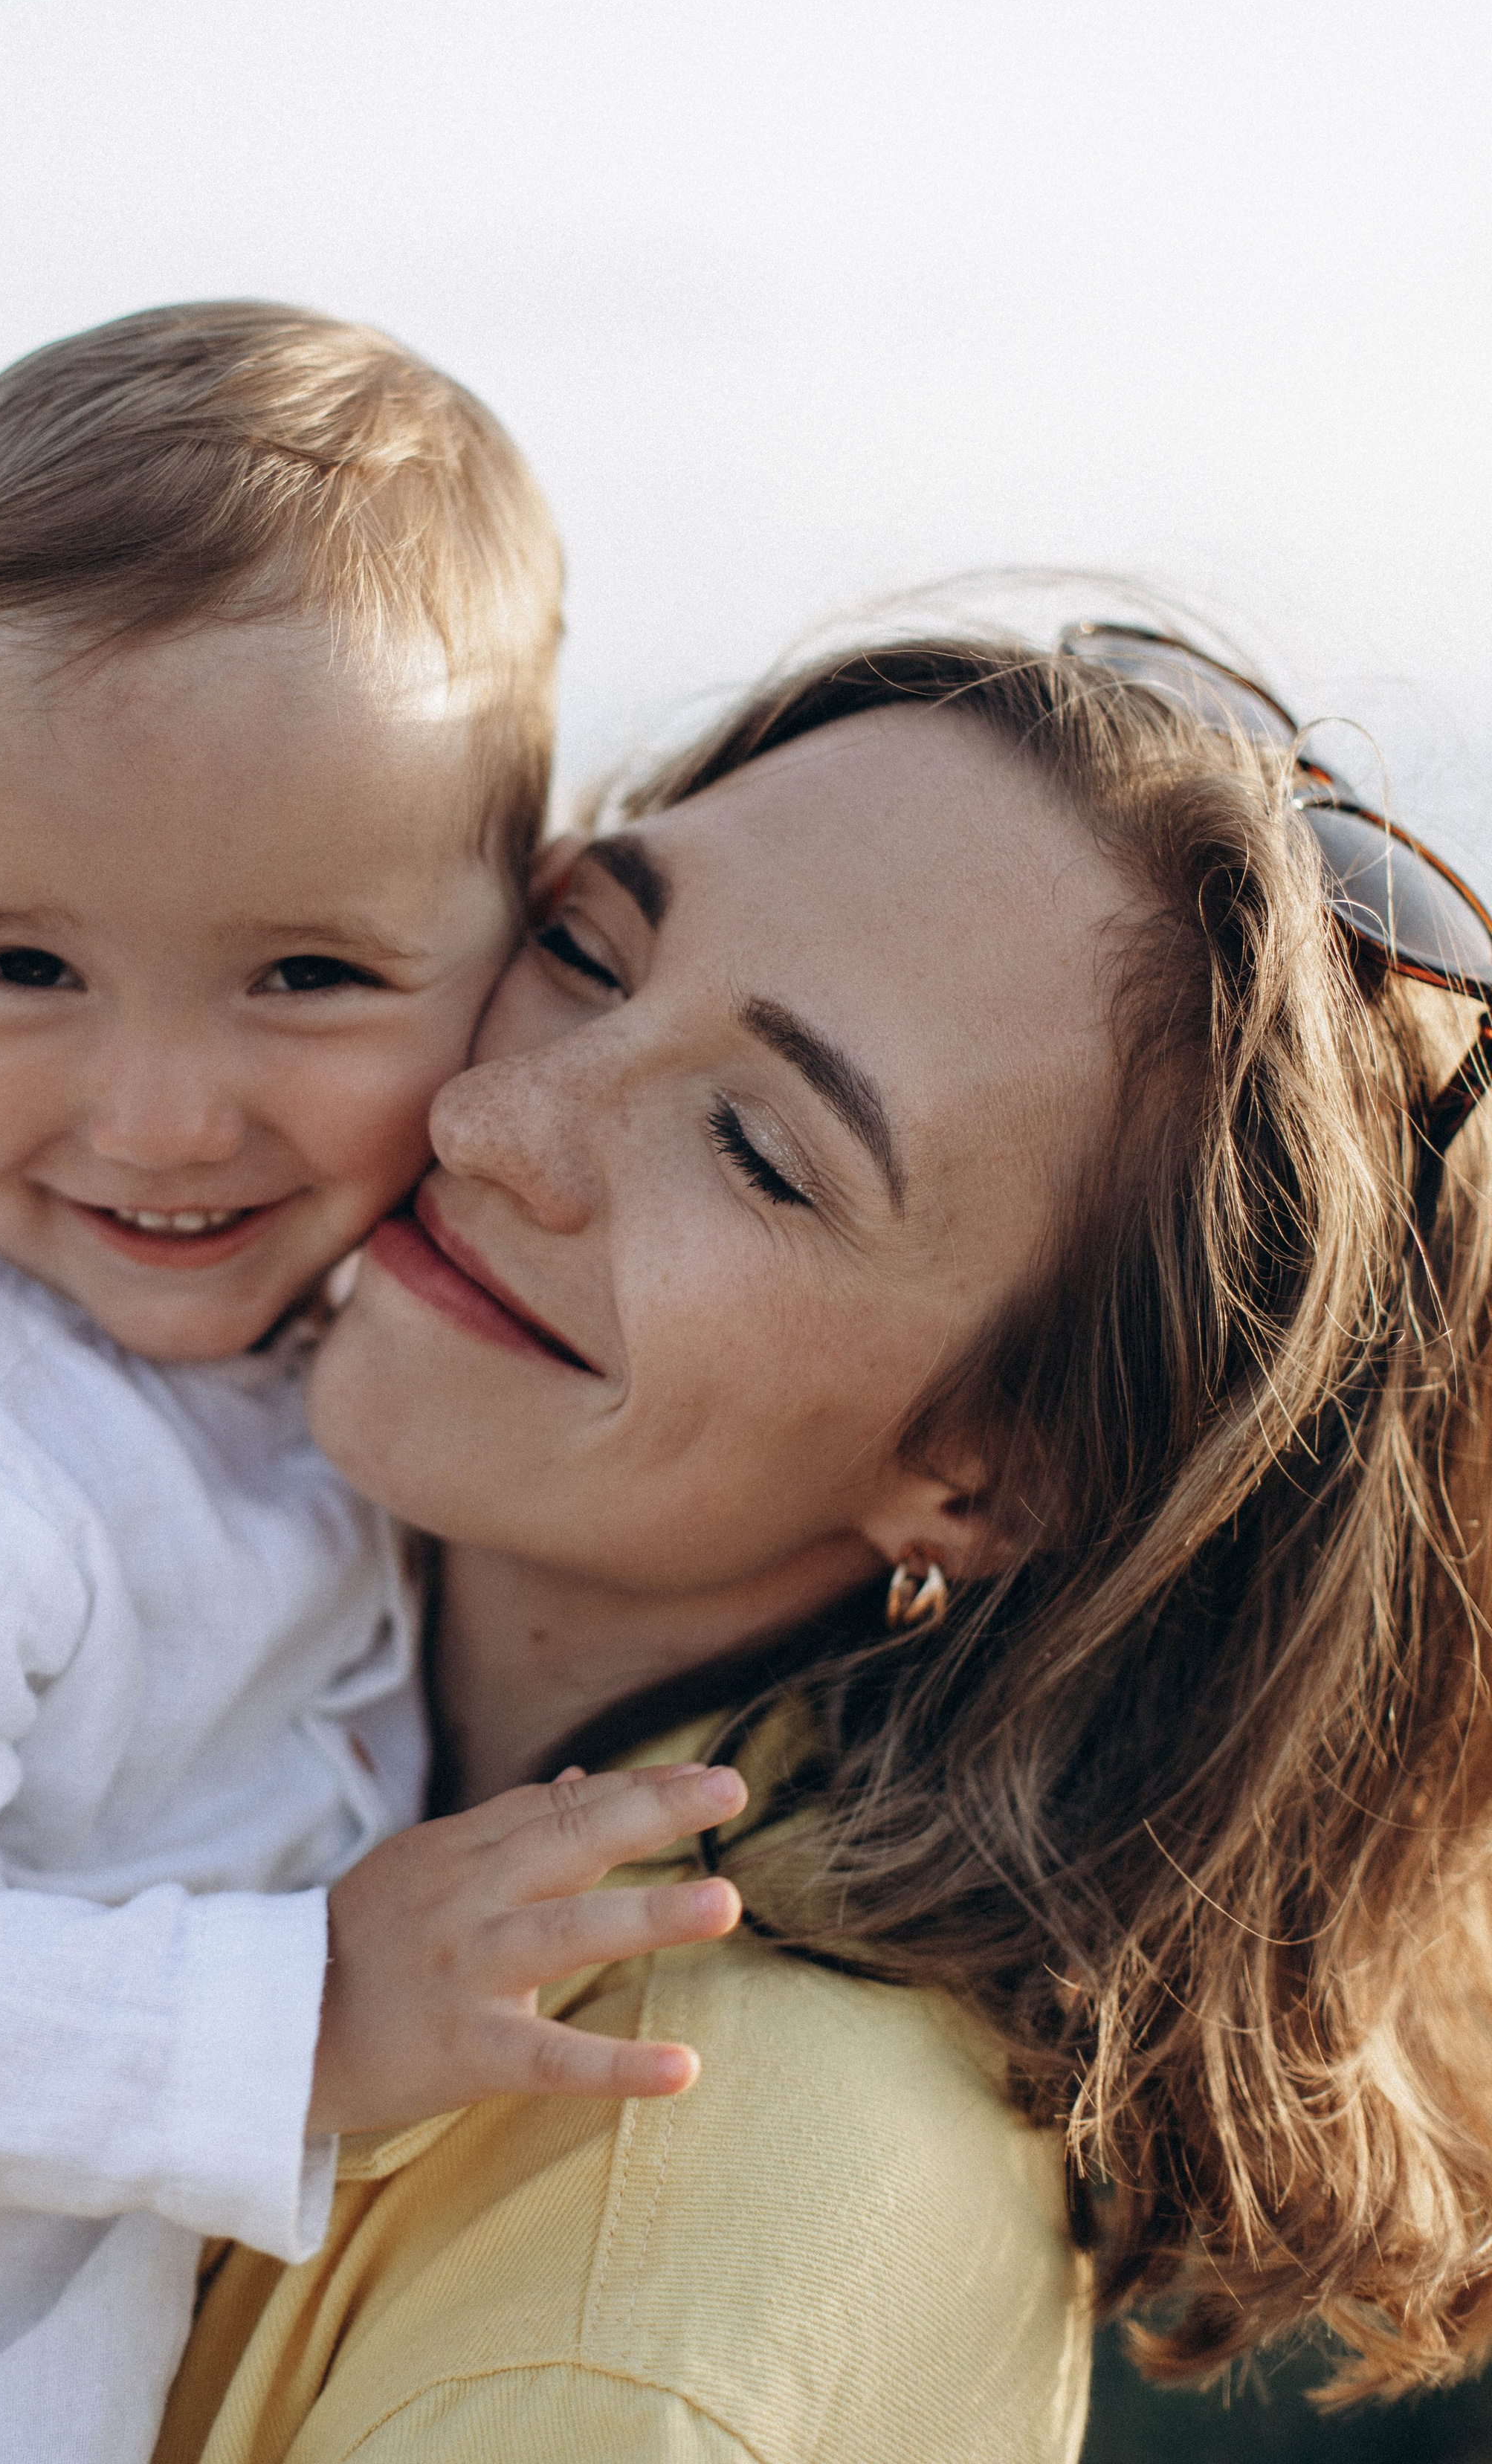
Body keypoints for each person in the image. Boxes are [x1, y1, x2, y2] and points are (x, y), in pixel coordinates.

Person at [0, 305, 747, 2464]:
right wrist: (299, 2022)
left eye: (306, 974)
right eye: (20, 967)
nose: (157, 1118)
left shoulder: (327, 1344)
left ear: (516, 934)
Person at [158, 627, 1492, 2464]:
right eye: (579, 952)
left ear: (988, 1473)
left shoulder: (629, 2330)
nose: (490, 1120)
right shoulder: (205, 1669)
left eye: (757, 1152)